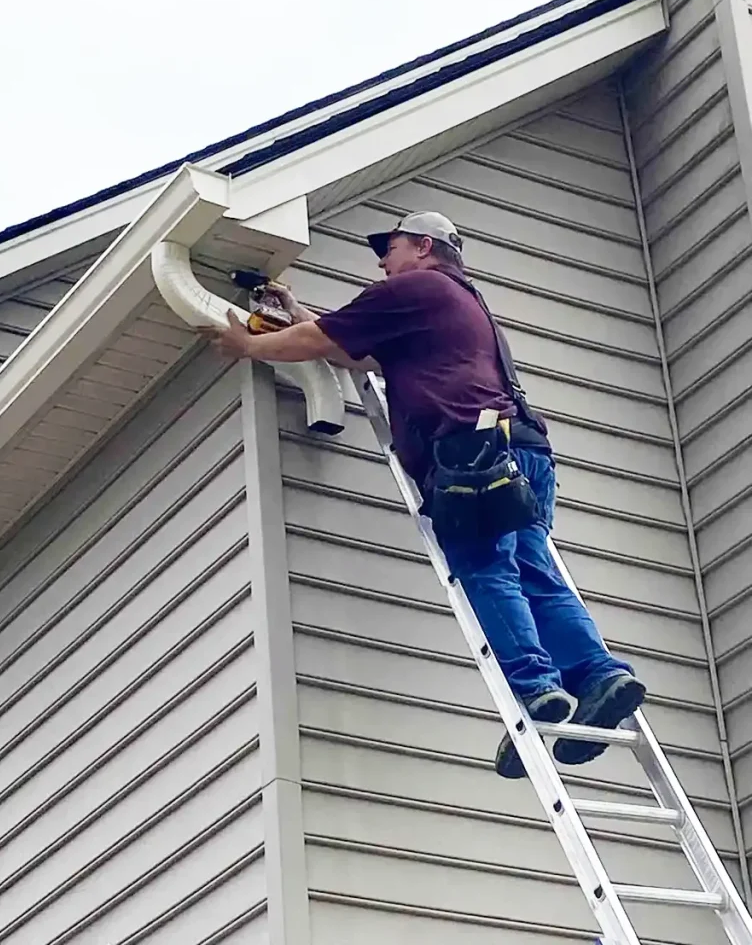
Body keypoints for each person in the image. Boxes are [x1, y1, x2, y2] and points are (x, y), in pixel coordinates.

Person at [200, 211, 646, 779]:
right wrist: (295, 311)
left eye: (388, 248)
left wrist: (250, 344)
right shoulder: (460, 301)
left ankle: (538, 690)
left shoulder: (413, 289)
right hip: (524, 451)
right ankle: (598, 675)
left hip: (474, 454)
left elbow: (323, 339)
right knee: (536, 572)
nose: (381, 262)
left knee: (486, 570)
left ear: (423, 246)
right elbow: (353, 352)